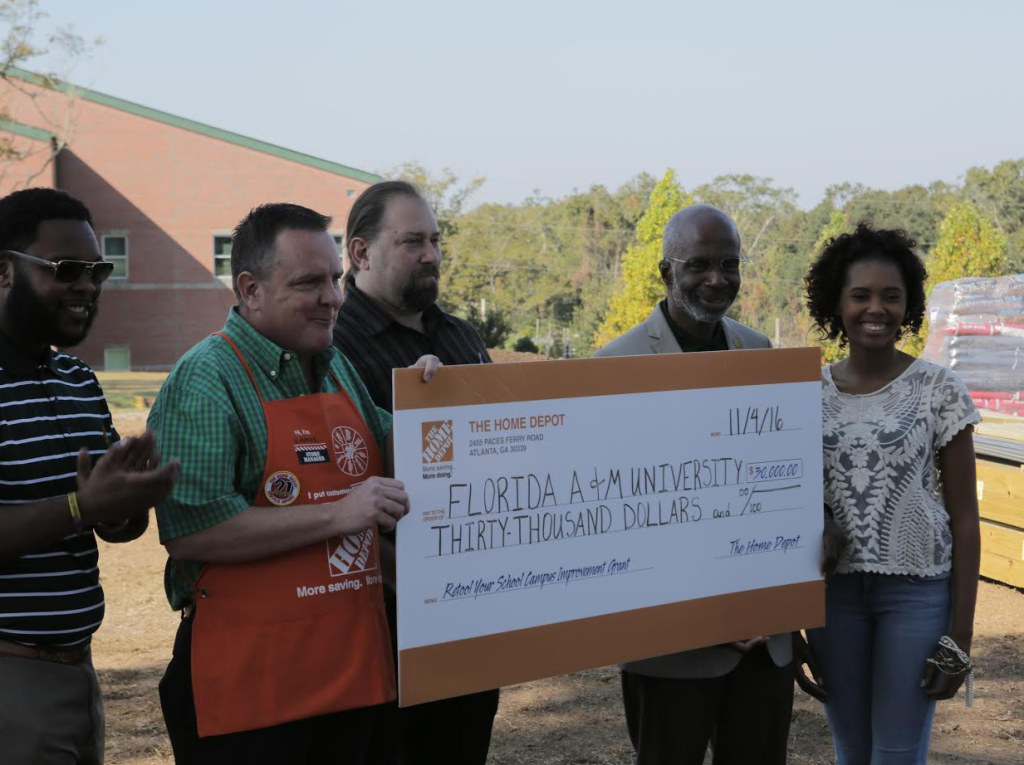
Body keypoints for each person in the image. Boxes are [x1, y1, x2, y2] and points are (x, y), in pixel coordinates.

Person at [149, 202, 439, 764]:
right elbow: (193, 532)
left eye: (334, 279)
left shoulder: (333, 365)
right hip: (254, 690)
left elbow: (392, 449)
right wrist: (338, 514)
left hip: (351, 672)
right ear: (251, 290)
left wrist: (436, 412)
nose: (333, 296)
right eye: (309, 283)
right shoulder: (208, 378)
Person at [596, 204, 794, 765]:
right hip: (668, 648)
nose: (717, 279)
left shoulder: (761, 353)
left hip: (763, 641)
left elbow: (779, 491)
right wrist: (707, 616)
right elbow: (618, 513)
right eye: (699, 264)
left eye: (729, 264)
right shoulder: (615, 365)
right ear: (666, 272)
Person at [0, 187, 178, 764]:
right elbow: (83, 509)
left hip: (79, 671)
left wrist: (131, 499)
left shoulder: (77, 379)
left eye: (97, 270)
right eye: (67, 269)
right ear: (4, 270)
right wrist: (83, 505)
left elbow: (112, 529)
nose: (88, 285)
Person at [798, 224, 980, 764]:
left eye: (890, 295)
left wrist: (961, 638)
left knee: (897, 755)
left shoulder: (940, 390)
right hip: (833, 600)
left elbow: (966, 520)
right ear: (837, 301)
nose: (875, 308)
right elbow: (789, 504)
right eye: (860, 295)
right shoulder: (805, 395)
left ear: (909, 304)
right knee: (851, 753)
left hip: (918, 596)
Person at [334, 180, 498, 765]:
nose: (431, 254)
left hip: (475, 612)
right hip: (381, 625)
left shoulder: (461, 338)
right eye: (411, 242)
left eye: (434, 240)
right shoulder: (329, 347)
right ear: (360, 253)